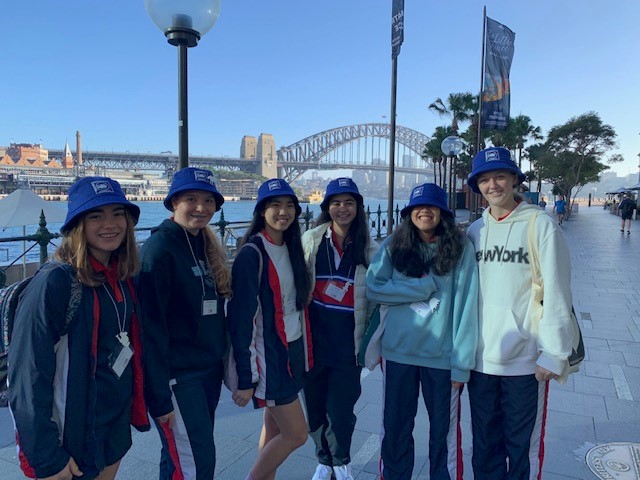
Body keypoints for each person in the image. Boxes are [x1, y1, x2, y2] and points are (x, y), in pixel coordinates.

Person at [9, 176, 149, 480]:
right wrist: (47, 457)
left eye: (117, 214)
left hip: (112, 425)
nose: (109, 224)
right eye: (95, 216)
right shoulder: (56, 282)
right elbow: (28, 373)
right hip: (72, 436)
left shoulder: (122, 276)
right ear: (77, 225)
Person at [466, 147, 577, 479]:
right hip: (481, 360)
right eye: (484, 180)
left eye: (500, 176)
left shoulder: (540, 225)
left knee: (521, 447)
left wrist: (553, 353)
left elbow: (558, 289)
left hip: (526, 362)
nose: (493, 185)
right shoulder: (475, 230)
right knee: (484, 444)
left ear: (514, 179)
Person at [366, 183, 479, 480]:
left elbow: (466, 306)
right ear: (409, 212)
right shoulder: (395, 245)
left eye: (432, 206)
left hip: (442, 359)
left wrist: (462, 363)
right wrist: (421, 287)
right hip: (398, 355)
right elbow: (374, 287)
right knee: (395, 428)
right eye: (418, 206)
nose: (424, 211)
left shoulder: (461, 248)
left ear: (443, 213)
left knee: (443, 433)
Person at [137, 167, 232, 479]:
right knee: (197, 464)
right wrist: (159, 395)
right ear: (174, 202)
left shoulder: (203, 244)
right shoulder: (159, 251)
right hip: (179, 377)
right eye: (191, 199)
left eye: (208, 200)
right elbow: (149, 328)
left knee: (177, 457)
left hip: (206, 371)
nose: (201, 207)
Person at [228, 178, 312, 480]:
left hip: (291, 350)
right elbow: (241, 320)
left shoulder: (291, 248)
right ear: (261, 210)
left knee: (275, 427)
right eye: (275, 205)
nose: (283, 212)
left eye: (290, 205)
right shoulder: (252, 254)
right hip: (270, 358)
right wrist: (247, 377)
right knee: (297, 435)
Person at [301, 178, 379, 480]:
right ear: (327, 207)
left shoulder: (370, 248)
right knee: (315, 407)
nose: (342, 208)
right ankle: (324, 459)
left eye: (349, 202)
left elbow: (379, 297)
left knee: (341, 408)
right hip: (313, 340)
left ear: (358, 207)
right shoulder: (311, 240)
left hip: (348, 342)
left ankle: (341, 460)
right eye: (336, 202)